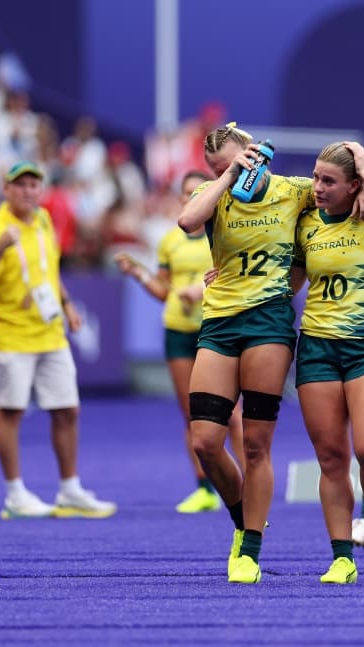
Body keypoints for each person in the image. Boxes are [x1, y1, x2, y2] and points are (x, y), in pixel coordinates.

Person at [177, 123, 364, 583]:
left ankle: (249, 549)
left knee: (254, 443)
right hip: (220, 323)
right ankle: (244, 517)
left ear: (254, 153)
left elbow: (341, 187)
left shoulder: (294, 190)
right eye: (216, 168)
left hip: (268, 322)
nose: (225, 172)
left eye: (233, 162)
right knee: (204, 442)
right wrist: (227, 180)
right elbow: (188, 223)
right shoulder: (215, 191)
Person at [290, 141, 364, 583]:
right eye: (316, 177)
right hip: (318, 347)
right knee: (331, 458)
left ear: (354, 184)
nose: (317, 187)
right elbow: (291, 282)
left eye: (328, 181)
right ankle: (342, 556)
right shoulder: (306, 223)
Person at [0, 160, 116, 520]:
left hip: (49, 332)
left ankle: (69, 489)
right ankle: (15, 494)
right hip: (7, 334)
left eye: (34, 185)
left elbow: (47, 272)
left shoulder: (44, 220)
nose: (29, 191)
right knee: (11, 412)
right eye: (21, 185)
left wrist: (66, 304)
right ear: (7, 189)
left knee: (68, 409)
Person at [115, 170, 244, 514]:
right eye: (186, 194)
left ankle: (248, 481)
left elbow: (238, 278)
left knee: (232, 414)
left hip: (216, 329)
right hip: (178, 331)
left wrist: (202, 289)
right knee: (192, 415)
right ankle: (204, 488)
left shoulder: (226, 232)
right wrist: (139, 274)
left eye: (196, 192)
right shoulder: (171, 241)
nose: (190, 199)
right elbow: (162, 290)